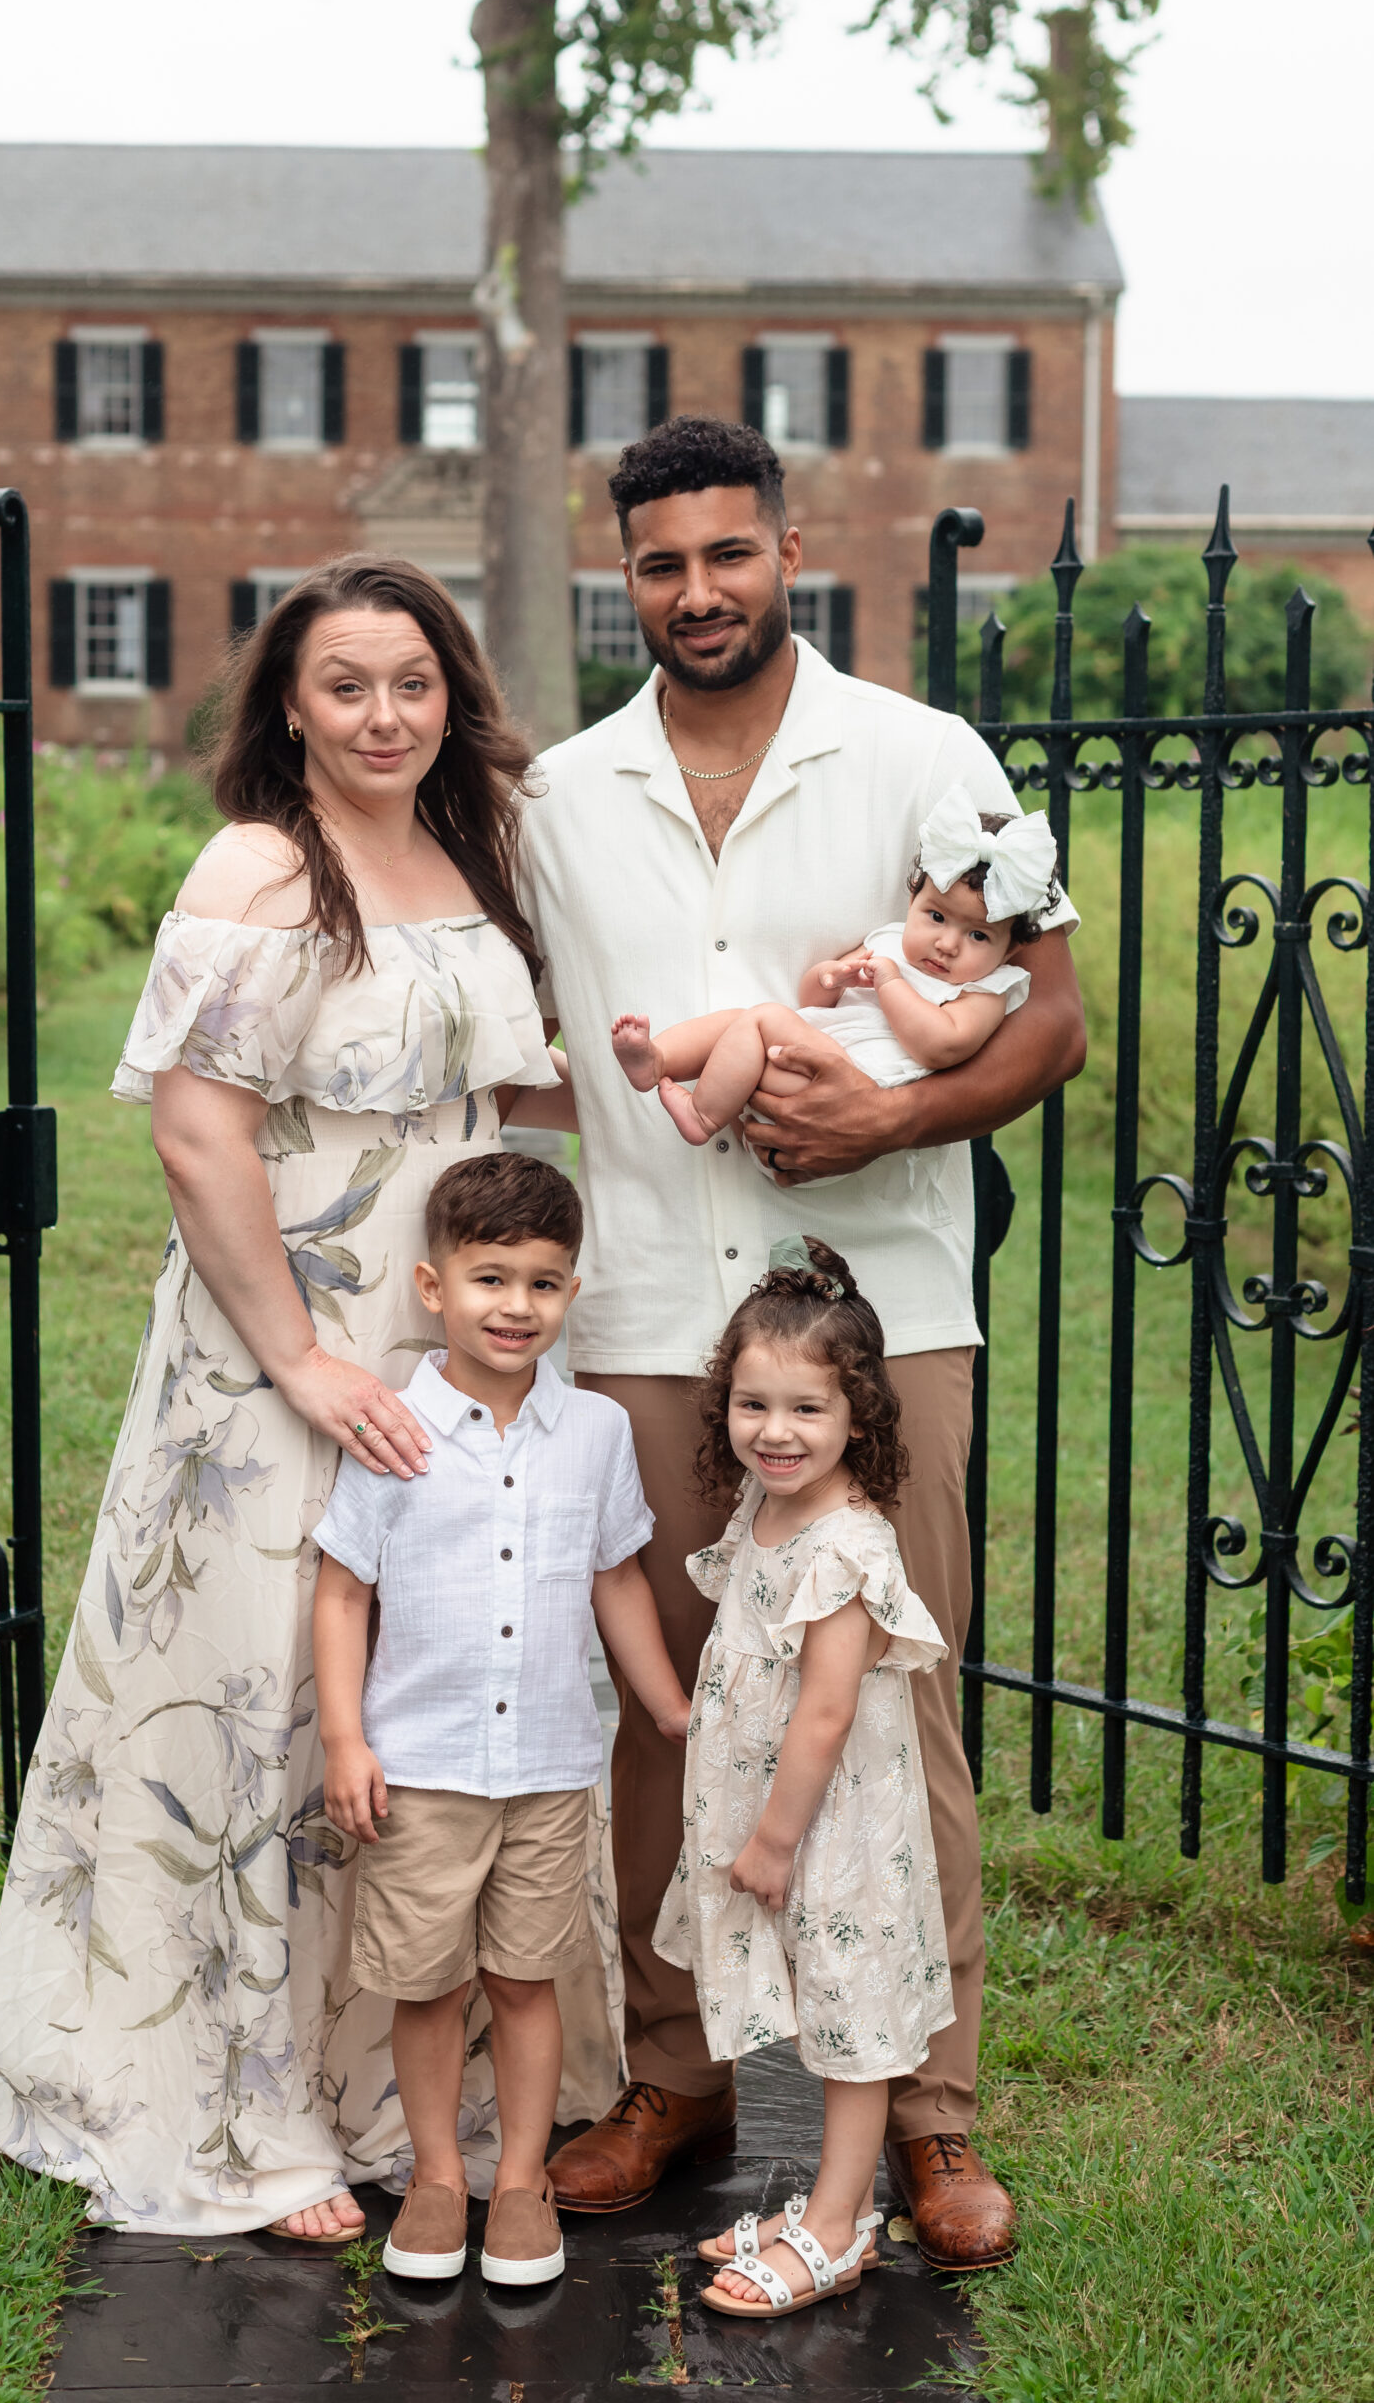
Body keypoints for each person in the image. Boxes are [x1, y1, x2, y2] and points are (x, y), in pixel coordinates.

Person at [0, 556, 599, 2240]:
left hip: (446, 1343)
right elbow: (196, 1132)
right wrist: (304, 1363)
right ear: (290, 709)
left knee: (419, 1701)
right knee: (263, 1715)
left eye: (413, 681)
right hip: (282, 1356)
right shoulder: (260, 866)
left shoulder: (468, 852)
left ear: (451, 694)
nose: (385, 714)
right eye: (347, 686)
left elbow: (498, 1073)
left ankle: (392, 2085)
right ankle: (251, 2115)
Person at [520, 416, 1083, 2269]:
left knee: (893, 1711)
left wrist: (885, 1125)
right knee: (660, 1719)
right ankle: (673, 2084)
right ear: (631, 579)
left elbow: (1048, 1026)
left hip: (882, 1321)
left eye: (728, 555)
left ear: (788, 548)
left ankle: (928, 2120)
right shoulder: (561, 793)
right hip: (645, 1318)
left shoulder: (926, 760)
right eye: (662, 566)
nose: (697, 593)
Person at [312, 1151, 692, 2285]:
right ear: (434, 1287)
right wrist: (345, 1738)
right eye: (490, 1279)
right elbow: (345, 1591)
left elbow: (616, 1576)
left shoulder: (597, 1434)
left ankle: (520, 2178)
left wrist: (666, 1702)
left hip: (547, 1768)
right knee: (427, 1983)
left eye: (541, 1282)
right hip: (421, 1768)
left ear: (571, 1292)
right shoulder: (394, 1429)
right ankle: (436, 2176)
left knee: (528, 1982)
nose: (515, 1306)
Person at [653, 1247, 951, 2317]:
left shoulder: (849, 1545)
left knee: (850, 2022)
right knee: (823, 2010)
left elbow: (826, 1708)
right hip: (779, 1807)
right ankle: (823, 2205)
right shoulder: (764, 1506)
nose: (773, 1430)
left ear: (857, 1416)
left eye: (806, 1409)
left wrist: (774, 1837)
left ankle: (838, 2225)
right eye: (751, 1403)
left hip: (831, 1823)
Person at [611, 785, 1058, 1147]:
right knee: (739, 1023)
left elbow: (940, 1045)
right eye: (936, 916)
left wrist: (890, 983)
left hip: (857, 1087)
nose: (946, 944)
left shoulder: (987, 991)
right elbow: (814, 1001)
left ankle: (702, 1115)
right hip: (813, 1056)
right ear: (913, 899)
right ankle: (658, 1059)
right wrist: (832, 977)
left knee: (764, 1018)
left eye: (978, 935)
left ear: (1012, 948)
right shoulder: (888, 943)